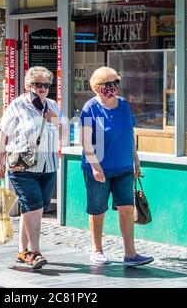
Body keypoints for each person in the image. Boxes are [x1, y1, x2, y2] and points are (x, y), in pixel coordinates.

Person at [80, 66, 154, 267]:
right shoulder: (90, 108)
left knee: (127, 209)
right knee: (98, 210)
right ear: (97, 87)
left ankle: (130, 254)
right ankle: (97, 250)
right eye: (109, 84)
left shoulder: (123, 105)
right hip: (99, 168)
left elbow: (128, 134)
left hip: (123, 167)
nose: (113, 87)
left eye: (116, 83)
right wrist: (95, 166)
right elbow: (86, 142)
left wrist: (136, 160)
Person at [0, 66, 63, 269]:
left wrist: (55, 120)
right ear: (28, 85)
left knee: (35, 208)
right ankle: (35, 252)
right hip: (21, 166)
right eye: (38, 85)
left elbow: (61, 132)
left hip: (48, 163)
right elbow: (2, 134)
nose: (42, 89)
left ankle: (22, 251)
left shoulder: (52, 105)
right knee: (34, 206)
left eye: (46, 85)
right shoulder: (17, 105)